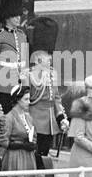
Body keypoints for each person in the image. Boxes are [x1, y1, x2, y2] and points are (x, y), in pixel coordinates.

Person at [26, 17, 64, 160]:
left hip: (49, 122)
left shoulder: (52, 74)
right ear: (37, 59)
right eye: (46, 57)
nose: (50, 59)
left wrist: (61, 118)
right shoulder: (28, 75)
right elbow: (26, 100)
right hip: (35, 119)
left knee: (45, 156)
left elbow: (56, 99)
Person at [0, 0, 30, 113]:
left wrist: (26, 86)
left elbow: (25, 65)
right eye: (14, 15)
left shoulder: (22, 36)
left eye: (19, 15)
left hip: (21, 88)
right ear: (7, 16)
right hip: (4, 89)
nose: (19, 18)